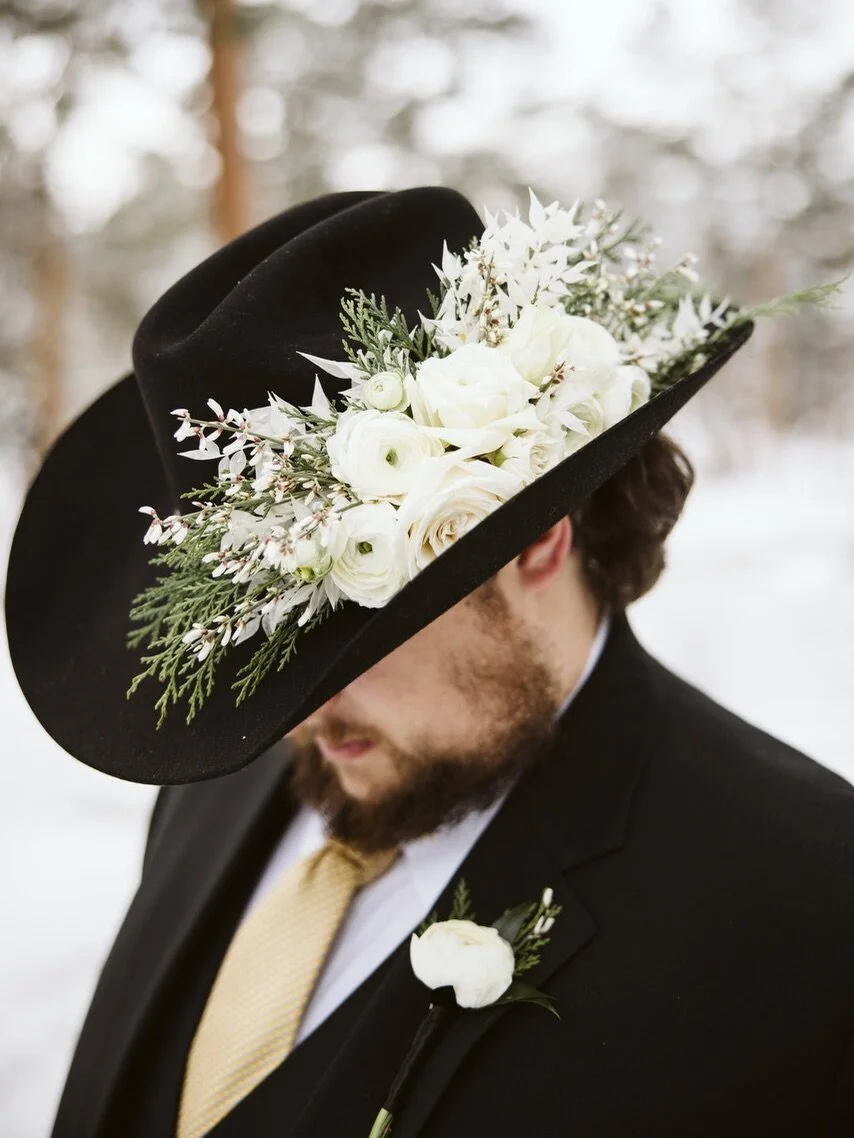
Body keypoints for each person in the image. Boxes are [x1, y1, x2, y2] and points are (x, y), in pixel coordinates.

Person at [6, 187, 853, 1138]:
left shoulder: (817, 920)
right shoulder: (225, 787)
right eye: (265, 641)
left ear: (534, 542)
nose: (291, 715)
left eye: (344, 632)